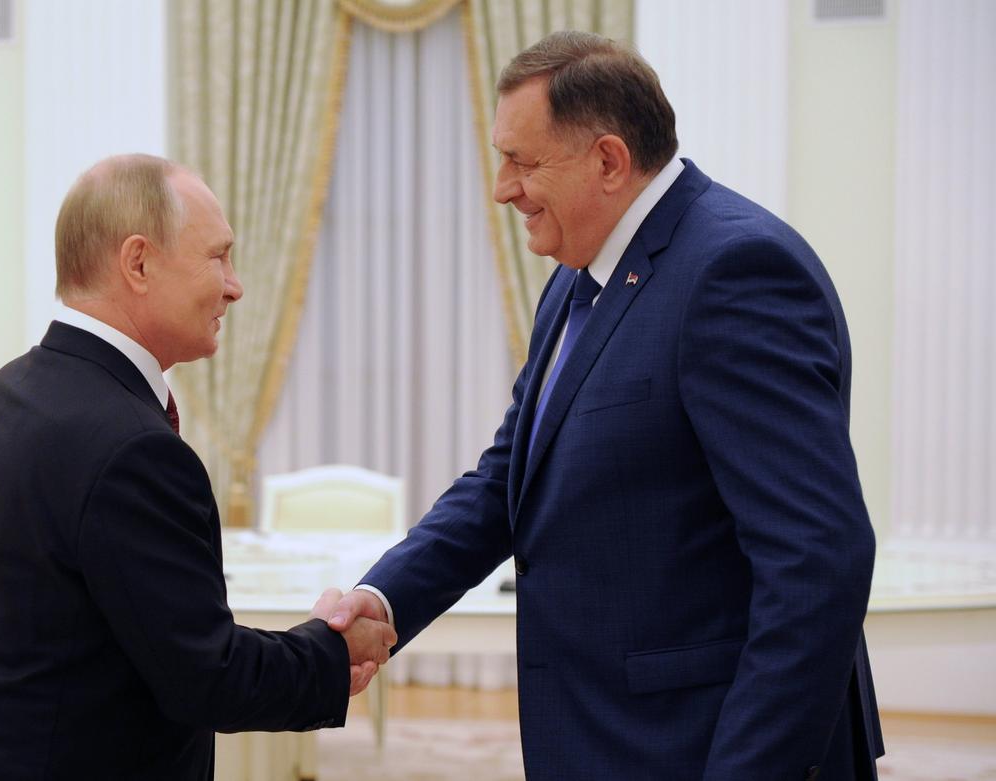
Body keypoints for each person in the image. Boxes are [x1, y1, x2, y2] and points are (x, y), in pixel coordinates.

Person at [329, 32, 883, 780]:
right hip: (607, 737)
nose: (500, 187)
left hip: (703, 746)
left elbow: (817, 561)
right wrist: (384, 597)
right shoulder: (574, 278)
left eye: (521, 161)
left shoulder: (735, 272)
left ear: (610, 161)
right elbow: (508, 481)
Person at [0, 154, 395, 780]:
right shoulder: (130, 446)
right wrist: (334, 654)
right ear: (138, 263)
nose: (236, 285)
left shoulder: (10, 392)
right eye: (218, 257)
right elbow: (207, 676)